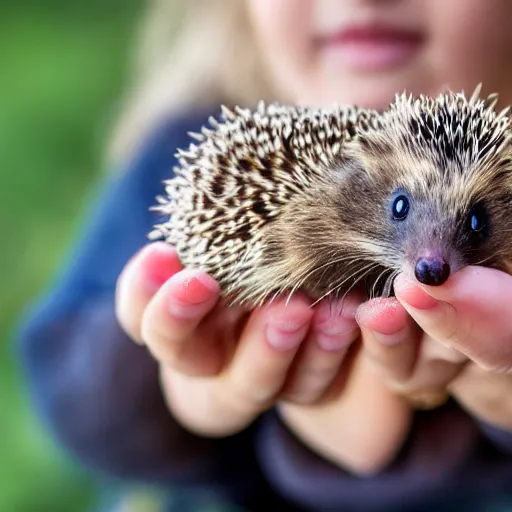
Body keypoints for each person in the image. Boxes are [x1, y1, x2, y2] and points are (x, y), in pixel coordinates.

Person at [17, 1, 512, 510]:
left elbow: (366, 444)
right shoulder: (176, 153)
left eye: (473, 223)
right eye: (403, 208)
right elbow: (60, 369)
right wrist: (178, 392)